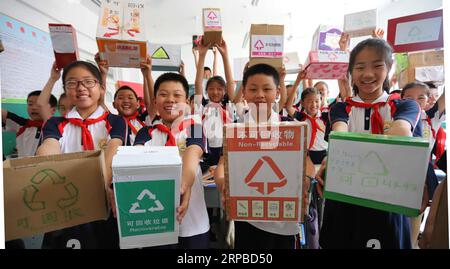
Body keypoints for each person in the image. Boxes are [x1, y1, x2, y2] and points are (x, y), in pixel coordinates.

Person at [317, 38, 423, 249]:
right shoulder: (341, 109)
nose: (367, 74)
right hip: (345, 202)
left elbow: (400, 133)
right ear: (351, 73)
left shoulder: (405, 107)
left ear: (389, 68)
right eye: (359, 67)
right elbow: (340, 136)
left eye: (377, 66)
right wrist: (330, 161)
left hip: (386, 204)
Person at [36, 61, 126, 249]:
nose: (81, 88)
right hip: (65, 205)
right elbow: (48, 151)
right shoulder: (55, 123)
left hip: (105, 206)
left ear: (101, 88)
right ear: (65, 89)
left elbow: (113, 153)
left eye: (88, 82)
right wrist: (43, 165)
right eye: (72, 83)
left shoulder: (115, 122)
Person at [134, 72, 210, 249]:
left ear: (187, 102)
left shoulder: (195, 128)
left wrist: (184, 186)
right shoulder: (145, 133)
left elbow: (192, 156)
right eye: (163, 94)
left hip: (193, 222)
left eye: (177, 95)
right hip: (155, 220)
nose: (170, 100)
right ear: (154, 102)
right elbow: (135, 164)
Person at [2, 90, 57, 157]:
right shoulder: (22, 124)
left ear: (53, 110)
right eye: (30, 104)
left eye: (39, 104)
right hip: (23, 165)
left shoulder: (59, 128)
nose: (34, 108)